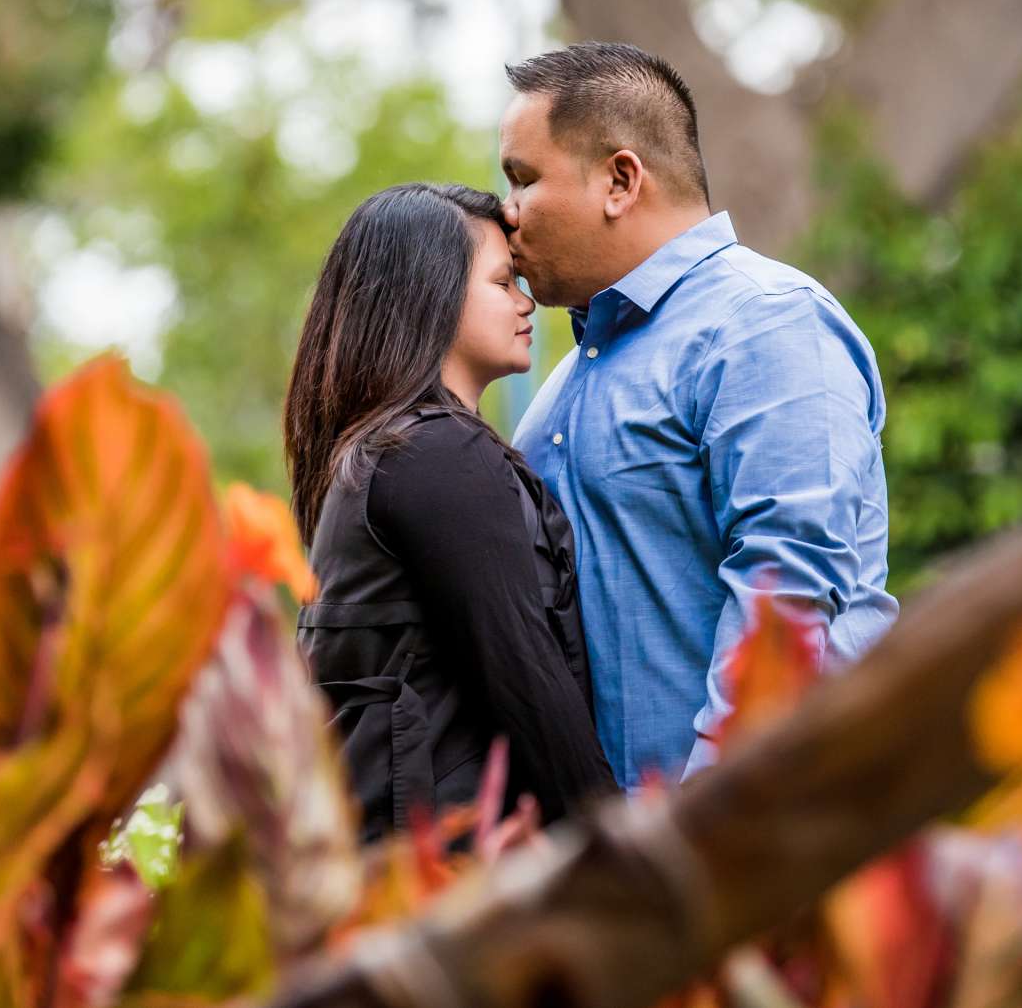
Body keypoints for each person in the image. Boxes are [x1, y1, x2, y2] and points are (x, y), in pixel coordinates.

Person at [501, 43, 897, 784]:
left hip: (753, 845)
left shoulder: (767, 324)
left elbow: (788, 595)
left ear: (621, 180)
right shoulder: (564, 382)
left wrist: (706, 829)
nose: (506, 210)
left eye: (523, 178)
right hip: (617, 862)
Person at [286, 183, 617, 841]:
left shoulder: (387, 450)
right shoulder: (434, 454)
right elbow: (527, 683)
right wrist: (628, 855)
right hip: (446, 875)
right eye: (503, 283)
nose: (526, 303)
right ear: (429, 295)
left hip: (398, 875)